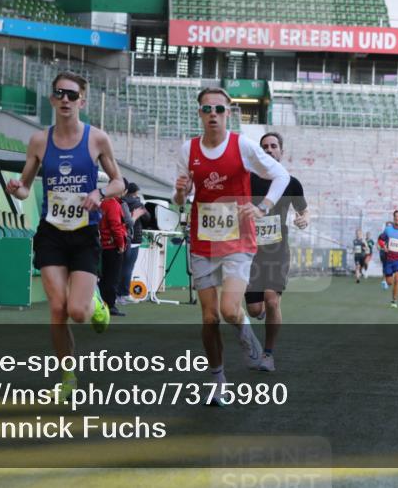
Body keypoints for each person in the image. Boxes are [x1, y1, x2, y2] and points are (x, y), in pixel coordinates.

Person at [6, 71, 123, 399]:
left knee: (78, 313)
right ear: (52, 99)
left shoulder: (97, 139)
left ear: (82, 101)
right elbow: (25, 188)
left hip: (84, 233)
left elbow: (119, 182)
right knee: (57, 308)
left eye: (73, 95)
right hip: (52, 234)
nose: (66, 100)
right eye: (61, 94)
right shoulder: (39, 141)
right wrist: (16, 188)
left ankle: (95, 302)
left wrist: (100, 195)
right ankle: (68, 377)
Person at [173, 87, 290, 404]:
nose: (213, 114)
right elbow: (180, 200)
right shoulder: (188, 149)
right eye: (207, 108)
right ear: (199, 113)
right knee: (209, 317)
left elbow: (281, 175)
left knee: (229, 310)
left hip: (238, 240)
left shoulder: (242, 145)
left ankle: (245, 332)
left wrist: (263, 206)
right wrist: (181, 193)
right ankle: (218, 380)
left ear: (229, 112)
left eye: (219, 109)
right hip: (203, 241)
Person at [244, 131, 308, 373]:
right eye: (265, 146)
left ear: (281, 151)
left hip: (277, 251)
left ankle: (268, 354)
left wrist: (304, 219)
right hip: (249, 251)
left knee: (272, 301)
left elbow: (304, 210)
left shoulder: (290, 182)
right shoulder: (247, 179)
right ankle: (259, 315)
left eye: (273, 146)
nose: (269, 150)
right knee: (255, 309)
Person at [117, 180, 149, 305]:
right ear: (134, 192)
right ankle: (123, 294)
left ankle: (117, 294)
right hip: (133, 238)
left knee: (119, 267)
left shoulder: (120, 202)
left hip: (120, 237)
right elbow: (147, 218)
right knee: (128, 267)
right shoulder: (137, 203)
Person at [99, 187, 127, 316]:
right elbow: (116, 226)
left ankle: (102, 304)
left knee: (105, 277)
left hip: (103, 245)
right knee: (112, 278)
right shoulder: (113, 205)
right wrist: (120, 244)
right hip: (112, 246)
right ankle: (110, 305)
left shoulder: (103, 202)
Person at [377, 211, 398, 309]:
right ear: (393, 218)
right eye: (396, 216)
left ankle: (394, 300)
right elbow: (380, 239)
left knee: (397, 279)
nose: (397, 218)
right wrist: (384, 246)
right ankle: (387, 282)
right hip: (389, 259)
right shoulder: (388, 230)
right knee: (390, 282)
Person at [379, 221, 392, 290]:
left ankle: (388, 280)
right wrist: (382, 247)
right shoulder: (383, 235)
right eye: (387, 226)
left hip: (392, 253)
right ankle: (384, 281)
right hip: (384, 253)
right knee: (385, 266)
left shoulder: (394, 235)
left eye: (390, 226)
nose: (388, 227)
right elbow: (379, 243)